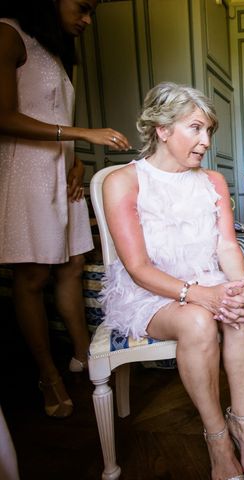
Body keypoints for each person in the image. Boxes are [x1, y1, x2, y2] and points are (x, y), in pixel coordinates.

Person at [100, 82, 244, 480]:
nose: (206, 141)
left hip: (204, 279)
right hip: (148, 292)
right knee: (196, 321)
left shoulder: (213, 182)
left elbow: (228, 245)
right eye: (195, 128)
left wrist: (239, 285)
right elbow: (138, 267)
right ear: (162, 129)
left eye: (208, 130)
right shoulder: (123, 182)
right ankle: (217, 440)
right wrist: (201, 297)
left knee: (241, 312)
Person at [0, 0, 131, 418]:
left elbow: (53, 112)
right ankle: (47, 375)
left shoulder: (58, 52)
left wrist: (74, 157)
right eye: (83, 7)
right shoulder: (8, 34)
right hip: (26, 171)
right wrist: (81, 134)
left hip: (64, 172)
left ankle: (81, 354)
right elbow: (3, 117)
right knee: (34, 273)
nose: (88, 20)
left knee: (73, 265)